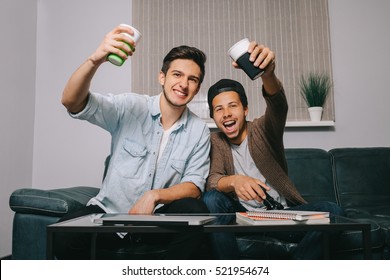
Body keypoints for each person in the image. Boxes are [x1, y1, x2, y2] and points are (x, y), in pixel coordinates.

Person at [56, 24, 211, 259]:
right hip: (111, 217)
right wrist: (95, 59)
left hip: (158, 225)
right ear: (162, 77)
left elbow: (193, 186)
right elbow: (71, 101)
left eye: (192, 79)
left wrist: (154, 196)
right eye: (177, 75)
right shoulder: (130, 107)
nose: (183, 84)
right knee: (63, 232)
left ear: (197, 88)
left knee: (195, 210)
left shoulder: (199, 130)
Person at [203, 41, 344, 259]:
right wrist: (235, 181)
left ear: (245, 109)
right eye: (218, 109)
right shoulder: (216, 141)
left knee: (333, 211)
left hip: (279, 215)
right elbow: (212, 180)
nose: (226, 114)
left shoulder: (262, 129)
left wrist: (267, 74)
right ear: (213, 117)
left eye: (233, 106)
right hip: (240, 217)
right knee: (211, 198)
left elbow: (278, 105)